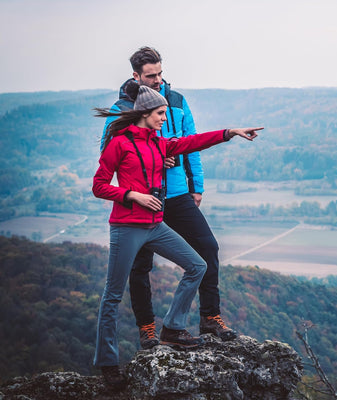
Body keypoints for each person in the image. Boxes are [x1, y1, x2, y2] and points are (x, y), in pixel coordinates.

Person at [93, 82, 262, 388]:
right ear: (145, 113)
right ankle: (108, 363)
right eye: (160, 113)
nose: (164, 118)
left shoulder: (160, 143)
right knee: (112, 295)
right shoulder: (119, 144)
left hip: (155, 226)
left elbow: (195, 142)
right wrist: (133, 195)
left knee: (198, 265)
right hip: (128, 227)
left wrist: (231, 132)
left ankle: (172, 328)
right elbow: (99, 185)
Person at [100, 46, 238, 351]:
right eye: (151, 76)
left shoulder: (175, 101)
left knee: (207, 248)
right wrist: (148, 159)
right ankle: (147, 329)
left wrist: (196, 186)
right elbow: (108, 155)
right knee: (140, 268)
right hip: (141, 200)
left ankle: (210, 317)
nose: (159, 80)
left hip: (176, 194)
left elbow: (191, 142)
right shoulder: (121, 109)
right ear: (136, 75)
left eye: (161, 73)